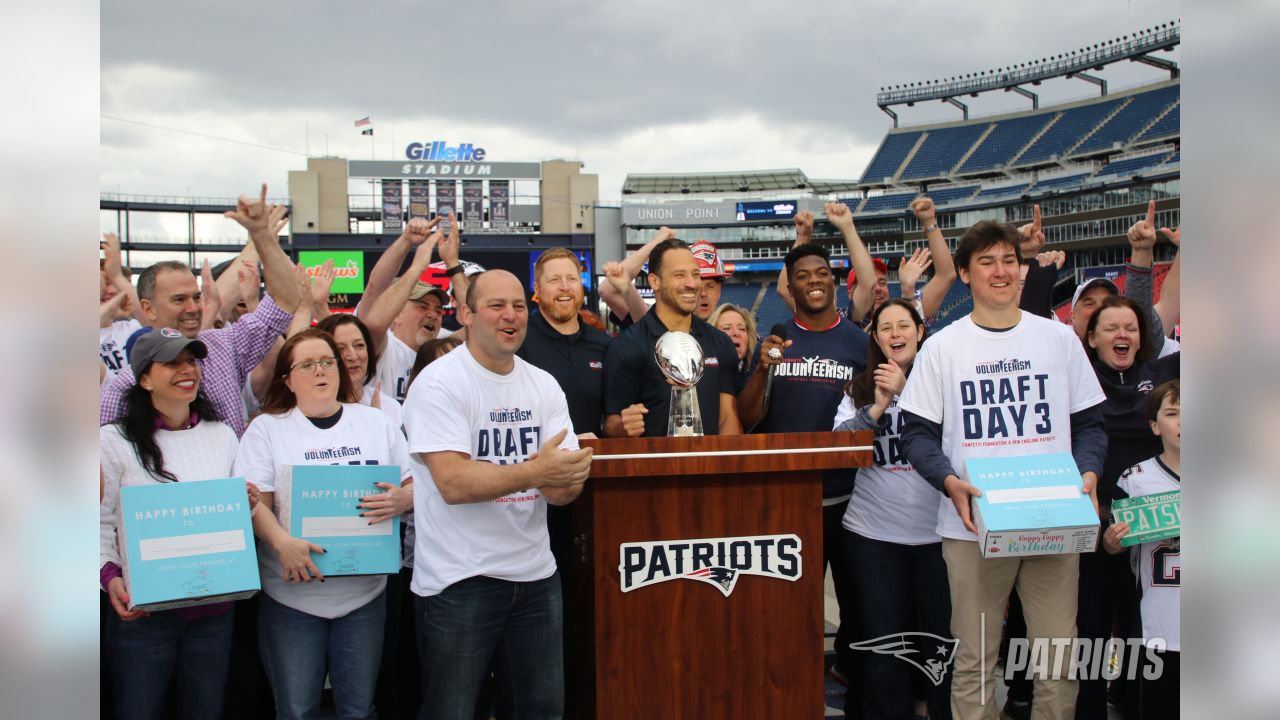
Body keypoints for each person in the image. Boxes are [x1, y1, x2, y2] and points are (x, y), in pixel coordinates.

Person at [897, 219, 1108, 720]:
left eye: (1009, 261)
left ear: (1022, 268)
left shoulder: (1058, 339)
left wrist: (1091, 473)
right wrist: (949, 482)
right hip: (974, 528)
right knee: (974, 659)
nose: (1000, 271)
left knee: (1057, 660)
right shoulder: (944, 346)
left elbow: (1092, 427)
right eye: (987, 262)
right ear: (966, 275)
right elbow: (917, 435)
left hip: (1053, 521)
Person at [402, 269, 593, 720]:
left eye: (519, 306)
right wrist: (539, 471)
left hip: (535, 576)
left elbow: (562, 489)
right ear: (466, 314)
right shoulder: (439, 383)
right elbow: (453, 482)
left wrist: (567, 479)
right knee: (451, 711)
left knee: (542, 710)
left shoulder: (542, 384)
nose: (510, 316)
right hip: (459, 580)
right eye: (496, 306)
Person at [235, 328, 413, 720]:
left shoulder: (375, 423)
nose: (321, 371)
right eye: (308, 364)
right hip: (292, 597)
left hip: (364, 595)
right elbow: (254, 503)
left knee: (358, 709)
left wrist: (403, 498)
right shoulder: (267, 429)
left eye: (328, 361)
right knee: (297, 710)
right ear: (288, 378)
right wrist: (282, 543)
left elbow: (414, 485)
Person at [99, 328, 255, 720]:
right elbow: (97, 520)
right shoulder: (112, 442)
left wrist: (246, 504)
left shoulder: (222, 436)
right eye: (172, 363)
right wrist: (109, 575)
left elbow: (239, 516)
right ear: (144, 379)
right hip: (145, 614)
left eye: (191, 361)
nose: (187, 370)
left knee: (205, 710)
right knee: (139, 710)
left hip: (214, 610)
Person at [738, 242, 870, 691]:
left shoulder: (857, 341)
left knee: (857, 607)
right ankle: (788, 689)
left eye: (822, 273)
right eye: (803, 275)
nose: (814, 280)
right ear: (789, 286)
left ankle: (854, 685)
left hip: (852, 501)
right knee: (791, 607)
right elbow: (749, 418)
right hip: (790, 499)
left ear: (832, 279)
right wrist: (760, 370)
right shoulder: (775, 340)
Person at [100, 184, 301, 438]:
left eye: (196, 297)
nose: (193, 308)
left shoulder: (224, 346)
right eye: (179, 300)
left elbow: (285, 301)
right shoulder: (124, 388)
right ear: (147, 309)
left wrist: (262, 236)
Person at [834, 299, 952, 720]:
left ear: (921, 332)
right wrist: (878, 407)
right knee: (885, 643)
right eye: (886, 327)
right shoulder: (858, 387)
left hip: (939, 534)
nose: (896, 334)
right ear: (876, 337)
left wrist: (908, 391)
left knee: (940, 643)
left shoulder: (943, 380)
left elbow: (959, 441)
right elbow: (839, 450)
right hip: (873, 536)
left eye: (905, 325)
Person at [516, 247, 613, 719]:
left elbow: (613, 421)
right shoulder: (521, 343)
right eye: (552, 279)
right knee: (541, 620)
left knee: (589, 607)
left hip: (595, 500)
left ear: (582, 285)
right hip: (531, 500)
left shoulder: (604, 345)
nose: (562, 287)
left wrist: (621, 427)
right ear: (537, 291)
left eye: (570, 278)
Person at [1073, 295, 1179, 719]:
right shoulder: (1076, 380)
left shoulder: (1162, 379)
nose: (1122, 334)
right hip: (1094, 528)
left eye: (1131, 328)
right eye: (1112, 327)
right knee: (1092, 639)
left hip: (1151, 533)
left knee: (1143, 641)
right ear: (1091, 337)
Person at [603, 238, 743, 438]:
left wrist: (722, 465)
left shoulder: (720, 343)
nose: (692, 284)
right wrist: (623, 427)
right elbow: (612, 424)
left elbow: (728, 417)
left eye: (695, 274)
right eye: (680, 275)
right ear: (654, 281)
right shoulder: (626, 346)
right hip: (652, 466)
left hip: (710, 467)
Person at [1103, 380, 1180, 720]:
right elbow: (1113, 543)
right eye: (1173, 413)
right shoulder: (1135, 479)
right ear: (1154, 425)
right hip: (1159, 625)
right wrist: (1111, 541)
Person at [1068, 201, 1179, 359]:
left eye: (1108, 302)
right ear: (1073, 316)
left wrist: (1141, 251)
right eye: (1089, 303)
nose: (1101, 308)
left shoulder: (1137, 358)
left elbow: (1141, 307)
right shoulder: (1065, 360)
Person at [708, 303, 757, 376]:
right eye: (726, 328)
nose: (736, 333)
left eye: (742, 329)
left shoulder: (758, 379)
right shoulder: (696, 378)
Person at [689, 239, 731, 320]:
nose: (703, 294)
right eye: (697, 287)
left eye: (710, 286)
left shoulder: (732, 330)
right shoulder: (670, 331)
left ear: (719, 290)